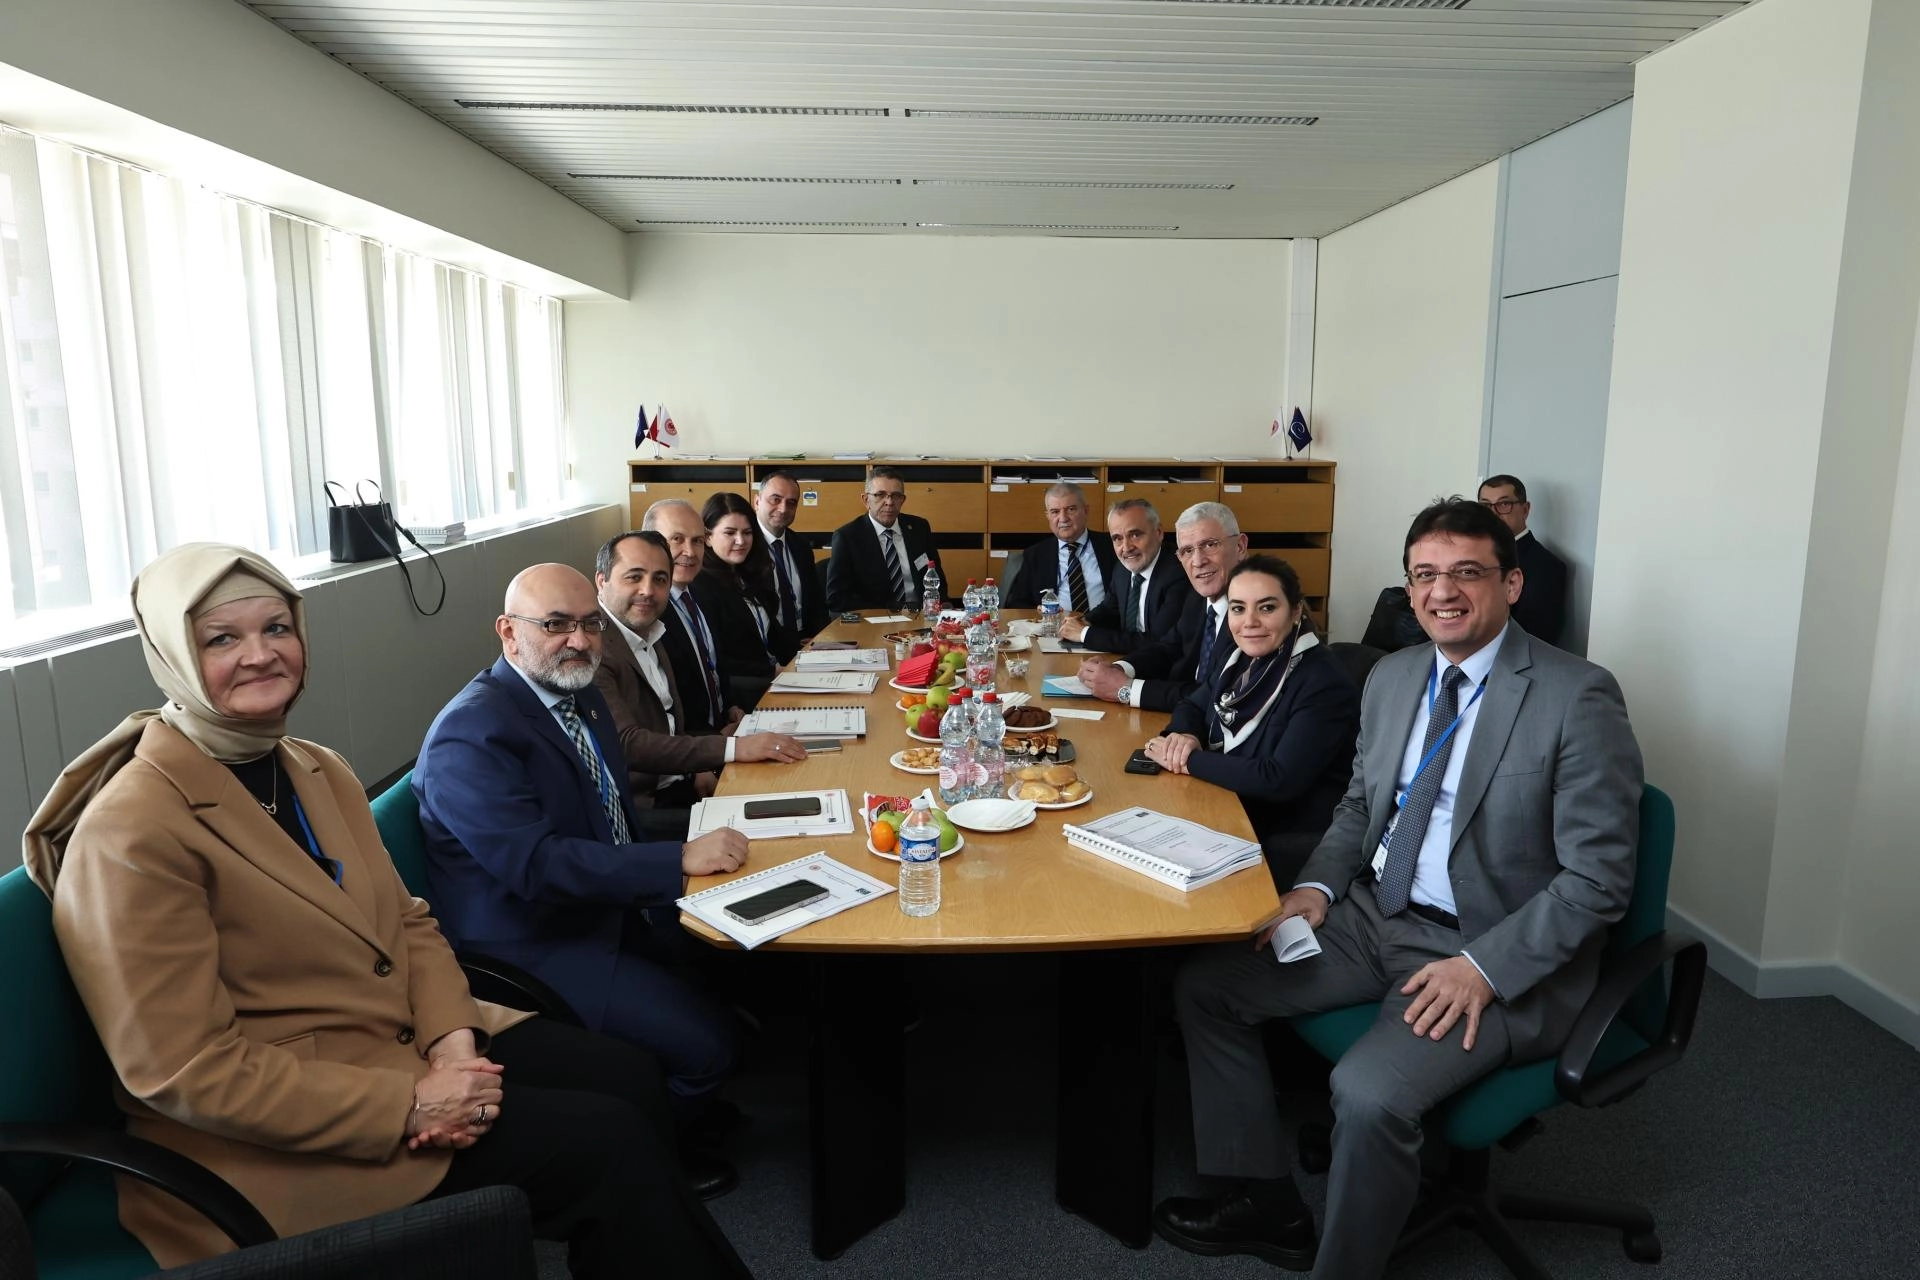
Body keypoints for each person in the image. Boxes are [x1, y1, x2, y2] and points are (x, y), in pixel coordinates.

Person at [20, 543, 750, 1278]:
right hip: (278, 1125)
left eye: (278, 628)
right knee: (607, 1144)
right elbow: (186, 1071)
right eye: (221, 639)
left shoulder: (315, 767)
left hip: (394, 1035)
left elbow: (407, 922)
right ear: (172, 655)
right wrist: (411, 1103)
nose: (261, 655)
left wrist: (454, 1043)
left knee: (626, 1076)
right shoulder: (130, 829)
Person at [1153, 498, 1642, 1279]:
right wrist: (1317, 889)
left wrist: (1483, 968)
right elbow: (1359, 806)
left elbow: (1598, 879)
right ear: (1409, 588)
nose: (1442, 591)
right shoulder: (1393, 675)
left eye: (1466, 572)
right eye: (1424, 575)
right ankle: (1264, 1203)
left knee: (1367, 1092)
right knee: (1207, 987)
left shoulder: (1575, 695)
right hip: (1372, 915)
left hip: (1486, 948)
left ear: (1512, 584)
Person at [413, 562, 753, 1196]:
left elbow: (609, 816)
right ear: (508, 632)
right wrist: (674, 860)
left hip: (603, 904)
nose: (578, 640)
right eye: (555, 625)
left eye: (590, 625)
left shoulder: (579, 695)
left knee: (741, 970)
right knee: (707, 1046)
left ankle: (688, 1103)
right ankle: (656, 1160)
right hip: (532, 943)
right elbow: (536, 866)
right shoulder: (471, 734)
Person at [1144, 555, 1359, 883]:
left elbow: (1278, 779)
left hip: (1279, 834)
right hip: (1226, 803)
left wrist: (1188, 760)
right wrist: (1187, 736)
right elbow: (1191, 704)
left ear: (1296, 611)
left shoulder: (1323, 681)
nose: (1249, 622)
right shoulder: (1238, 658)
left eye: (1267, 607)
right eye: (1238, 608)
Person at [592, 530, 807, 837]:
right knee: (775, 827)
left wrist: (697, 769)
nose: (648, 591)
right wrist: (733, 748)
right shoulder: (595, 648)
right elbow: (628, 743)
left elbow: (669, 723)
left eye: (660, 579)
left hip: (682, 782)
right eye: (634, 577)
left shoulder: (650, 630)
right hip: (646, 810)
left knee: (795, 792)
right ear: (602, 581)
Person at [1076, 501, 1246, 711]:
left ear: (1240, 546)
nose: (1198, 561)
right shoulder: (1199, 598)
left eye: (1210, 545)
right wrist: (1119, 669)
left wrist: (1126, 689)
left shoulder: (1250, 612)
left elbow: (1217, 697)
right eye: (1187, 550)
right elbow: (1168, 648)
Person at [642, 498, 744, 734]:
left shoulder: (704, 591)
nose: (690, 552)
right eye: (677, 539)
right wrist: (715, 741)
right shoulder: (647, 612)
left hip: (724, 728)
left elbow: (715, 663)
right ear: (649, 544)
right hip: (694, 745)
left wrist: (729, 706)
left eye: (697, 541)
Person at [1061, 498, 1191, 653]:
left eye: (1135, 535)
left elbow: (1156, 641)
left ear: (1158, 533)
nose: (1126, 548)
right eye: (1117, 538)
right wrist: (1083, 621)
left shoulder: (1178, 574)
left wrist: (1084, 634)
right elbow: (1109, 609)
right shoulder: (1122, 569)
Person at [703, 490, 801, 680]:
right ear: (708, 537)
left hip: (776, 675)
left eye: (747, 532)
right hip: (748, 686)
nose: (741, 541)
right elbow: (718, 659)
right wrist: (772, 672)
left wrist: (809, 654)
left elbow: (773, 636)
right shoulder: (702, 586)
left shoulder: (748, 574)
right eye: (730, 533)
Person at [824, 466, 946, 613]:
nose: (889, 502)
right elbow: (837, 598)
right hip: (875, 619)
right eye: (880, 495)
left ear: (903, 500)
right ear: (866, 500)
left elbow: (937, 580)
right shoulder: (847, 537)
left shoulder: (919, 528)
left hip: (919, 616)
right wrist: (890, 612)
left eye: (896, 496)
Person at [1479, 474, 1568, 646]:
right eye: (1485, 506)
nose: (1493, 513)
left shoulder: (1546, 566)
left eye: (1504, 504)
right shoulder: (1470, 556)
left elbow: (1535, 637)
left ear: (1525, 510)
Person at [1000, 482, 1118, 612]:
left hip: (1102, 623)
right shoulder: (1034, 555)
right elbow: (1018, 602)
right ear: (1048, 516)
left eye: (1071, 509)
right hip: (1054, 623)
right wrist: (1036, 611)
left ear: (1086, 511)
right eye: (1055, 512)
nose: (1063, 518)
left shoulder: (1112, 545)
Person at [755, 469, 828, 639]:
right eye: (775, 499)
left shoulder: (801, 545)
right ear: (757, 502)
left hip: (804, 639)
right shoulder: (745, 545)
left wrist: (820, 639)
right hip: (766, 645)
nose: (783, 509)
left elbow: (816, 602)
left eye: (791, 502)